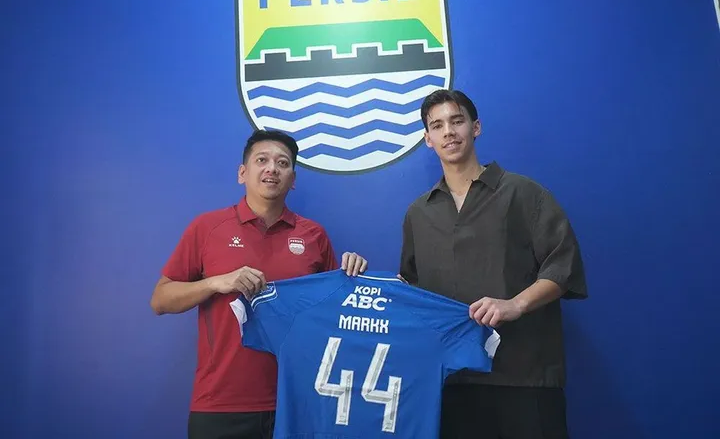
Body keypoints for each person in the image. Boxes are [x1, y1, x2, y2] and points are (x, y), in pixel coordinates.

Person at [150, 129, 369, 439]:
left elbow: (336, 314)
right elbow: (160, 300)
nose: (272, 169)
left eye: (283, 163)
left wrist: (354, 276)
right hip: (221, 405)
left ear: (293, 180)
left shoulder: (313, 235)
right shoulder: (207, 228)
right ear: (242, 173)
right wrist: (215, 283)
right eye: (262, 160)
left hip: (298, 402)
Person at [399, 89, 587, 439]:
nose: (448, 132)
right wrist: (360, 281)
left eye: (457, 121)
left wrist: (516, 303)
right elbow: (410, 290)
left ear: (476, 127)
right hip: (450, 380)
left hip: (524, 376)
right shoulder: (418, 213)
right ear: (427, 139)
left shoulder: (524, 193)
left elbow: (563, 267)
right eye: (437, 126)